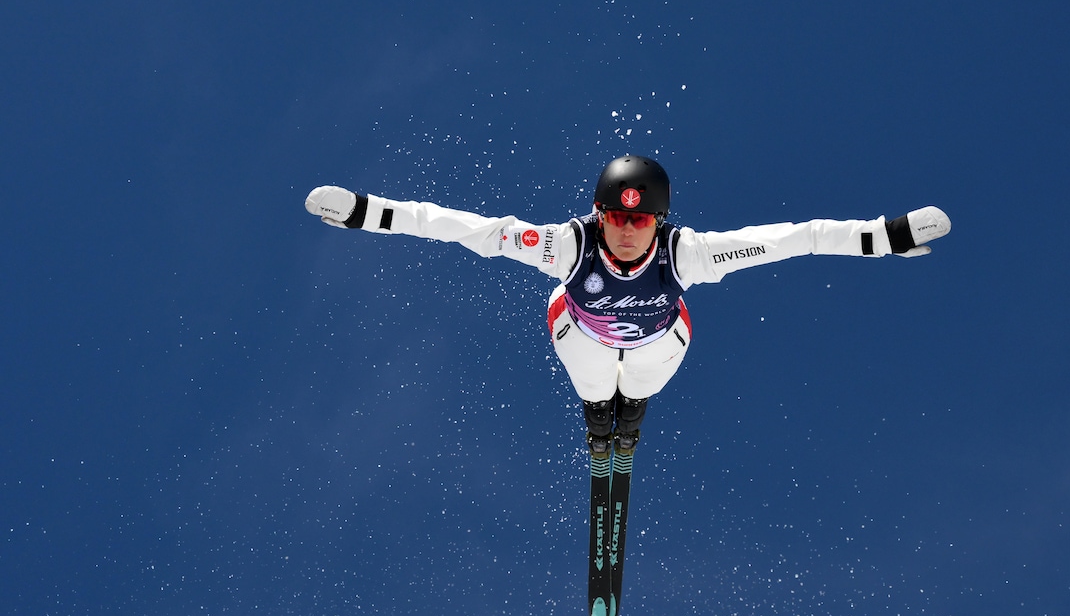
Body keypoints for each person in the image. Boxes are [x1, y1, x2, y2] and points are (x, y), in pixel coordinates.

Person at [304, 155, 950, 455]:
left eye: (641, 221)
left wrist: (884, 238)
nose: (627, 230)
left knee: (640, 375)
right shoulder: (562, 245)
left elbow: (795, 240)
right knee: (587, 358)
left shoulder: (690, 254)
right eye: (615, 216)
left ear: (662, 220)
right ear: (599, 212)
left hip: (657, 340)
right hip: (582, 331)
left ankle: (630, 412)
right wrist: (367, 214)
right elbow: (460, 227)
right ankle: (597, 415)